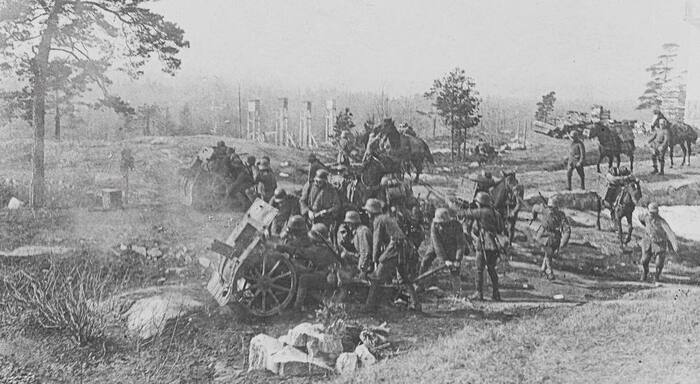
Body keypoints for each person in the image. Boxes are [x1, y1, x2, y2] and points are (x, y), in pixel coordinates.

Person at [363, 198, 420, 312]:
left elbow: (376, 241)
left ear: (371, 211)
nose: (366, 213)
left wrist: (375, 260)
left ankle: (369, 307)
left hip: (395, 247)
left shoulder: (378, 220)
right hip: (403, 247)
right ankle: (416, 304)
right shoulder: (386, 217)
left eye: (367, 211)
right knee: (404, 277)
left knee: (376, 278)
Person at [462, 192, 505, 301]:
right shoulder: (496, 213)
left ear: (480, 203)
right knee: (491, 269)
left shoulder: (481, 212)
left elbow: (464, 213)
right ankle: (496, 293)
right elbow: (500, 228)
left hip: (484, 243)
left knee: (479, 269)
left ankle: (478, 292)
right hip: (494, 244)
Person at [292, 223, 340, 311]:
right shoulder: (324, 247)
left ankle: (297, 308)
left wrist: (280, 247)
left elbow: (302, 252)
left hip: (326, 277)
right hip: (324, 274)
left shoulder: (321, 250)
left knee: (303, 279)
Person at [638, 202, 678, 283]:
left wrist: (675, 245)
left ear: (657, 212)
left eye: (654, 213)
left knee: (658, 263)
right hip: (647, 242)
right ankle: (645, 272)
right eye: (650, 212)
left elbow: (670, 233)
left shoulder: (661, 221)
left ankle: (657, 276)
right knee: (644, 260)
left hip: (659, 243)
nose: (652, 214)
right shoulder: (645, 217)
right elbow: (641, 219)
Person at [538, 196, 571, 280]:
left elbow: (567, 229)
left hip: (556, 237)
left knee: (549, 253)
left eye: (553, 208)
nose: (551, 209)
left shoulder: (561, 215)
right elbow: (536, 209)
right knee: (549, 253)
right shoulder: (546, 212)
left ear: (557, 207)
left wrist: (563, 242)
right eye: (550, 207)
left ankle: (545, 270)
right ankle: (548, 271)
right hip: (546, 236)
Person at [336, 210, 373, 275]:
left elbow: (365, 253)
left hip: (368, 262)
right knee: (344, 254)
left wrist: (362, 269)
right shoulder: (358, 231)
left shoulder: (362, 232)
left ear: (353, 223)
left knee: (344, 256)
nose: (347, 225)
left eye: (348, 223)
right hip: (363, 259)